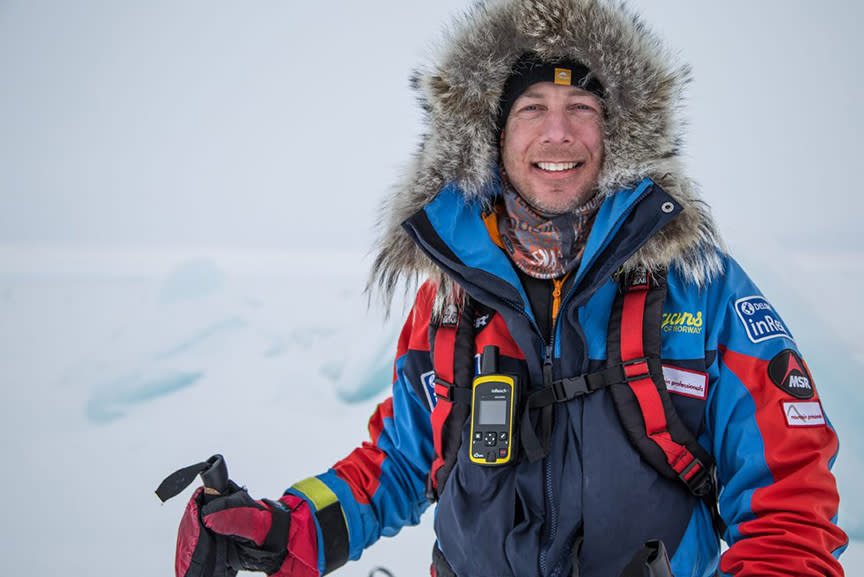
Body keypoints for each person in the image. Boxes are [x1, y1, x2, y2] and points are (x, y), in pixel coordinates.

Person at [173, 0, 848, 575]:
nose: (558, 132)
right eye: (532, 107)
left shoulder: (702, 289)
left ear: (616, 131)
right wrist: (287, 528)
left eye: (581, 104)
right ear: (492, 136)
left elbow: (790, 504)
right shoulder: (450, 300)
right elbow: (397, 464)